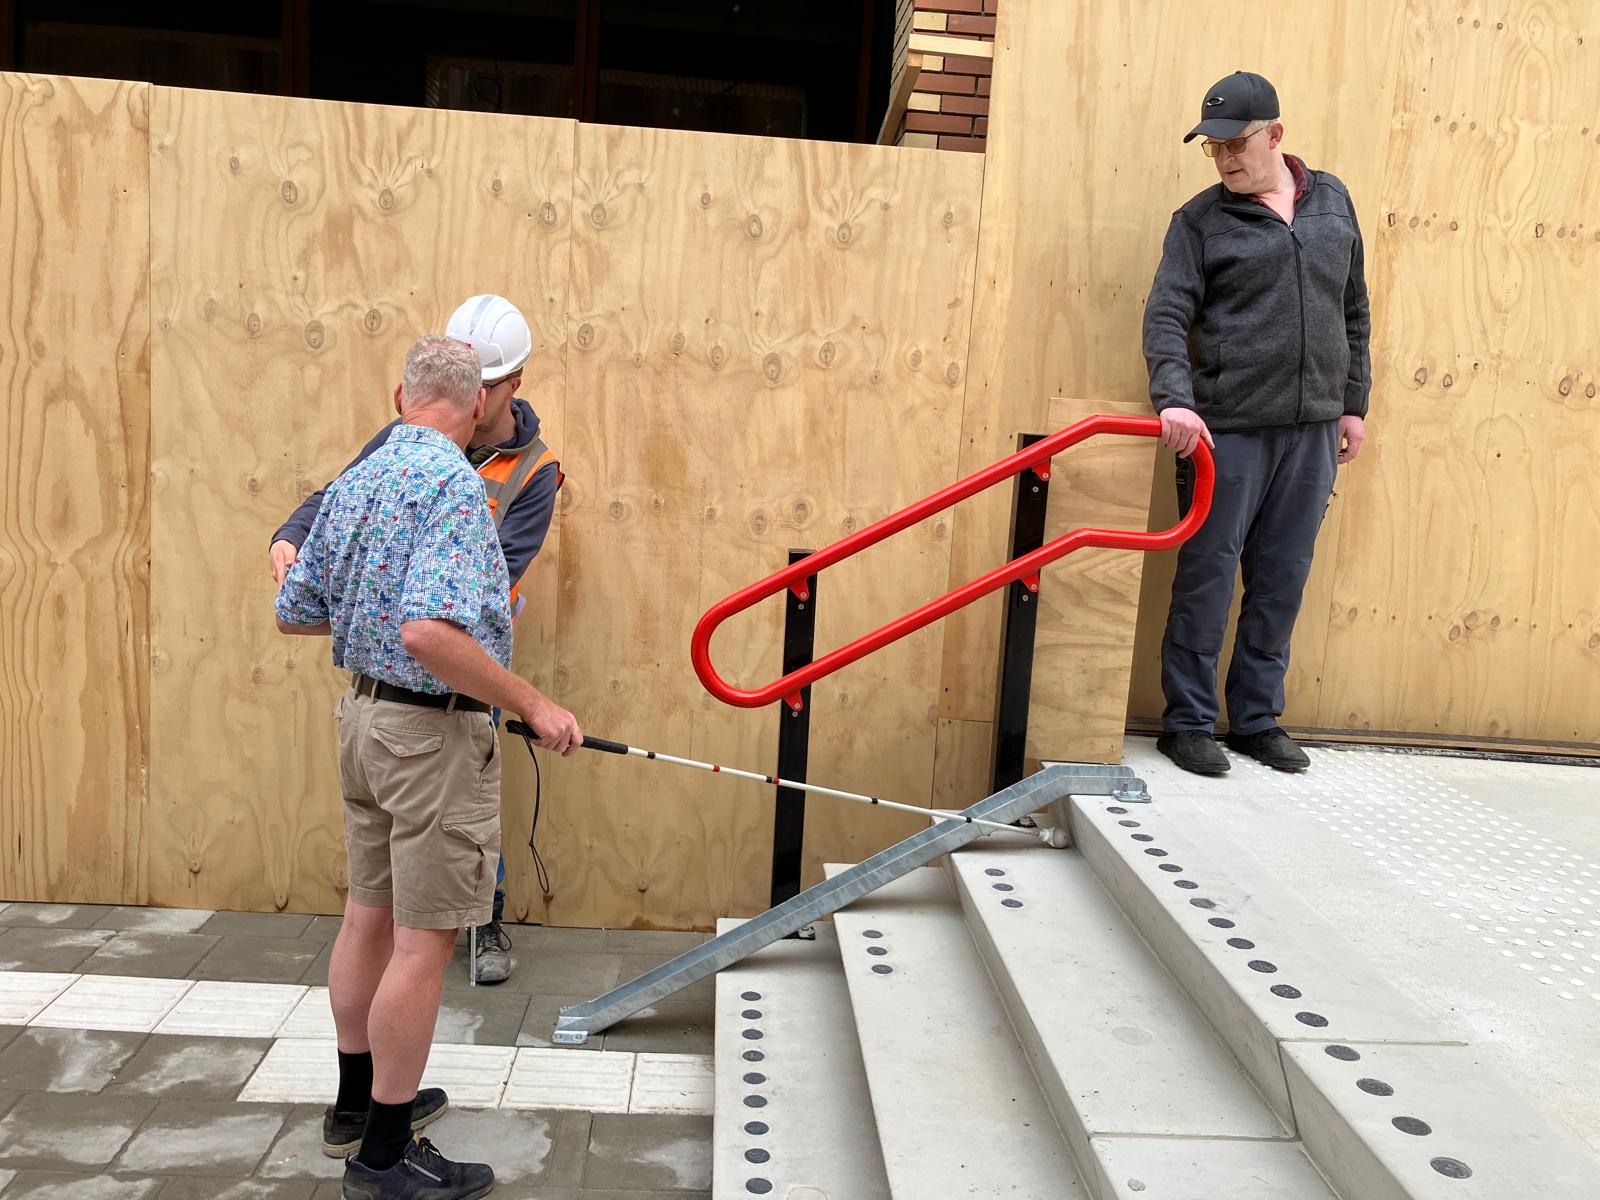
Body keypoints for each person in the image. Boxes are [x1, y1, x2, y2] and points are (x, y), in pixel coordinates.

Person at [276, 335, 582, 1199]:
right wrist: (532, 703)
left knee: (366, 917)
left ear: (400, 393)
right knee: (422, 944)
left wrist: (358, 605)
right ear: (481, 402)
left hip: (363, 722)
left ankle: (352, 1106)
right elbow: (429, 633)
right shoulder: (452, 486)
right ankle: (382, 1155)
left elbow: (296, 611)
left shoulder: (362, 477)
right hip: (428, 739)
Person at [271, 295, 558, 984]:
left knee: (381, 908)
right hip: (420, 694)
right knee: (415, 935)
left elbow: (487, 584)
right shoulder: (423, 458)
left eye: (488, 383)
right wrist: (289, 539)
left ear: (511, 386)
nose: (477, 394)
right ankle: (388, 1098)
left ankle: (480, 920)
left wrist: (367, 594)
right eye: (470, 381)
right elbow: (334, 507)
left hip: (449, 683)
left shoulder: (530, 471)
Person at [1143, 71, 1370, 776]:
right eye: (1212, 149)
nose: (1225, 160)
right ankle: (1185, 722)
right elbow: (1167, 314)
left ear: (1276, 135)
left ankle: (1256, 720)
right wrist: (1174, 398)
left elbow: (1354, 311)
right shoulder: (1198, 222)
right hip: (1228, 429)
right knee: (1207, 575)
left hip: (1312, 430)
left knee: (1281, 577)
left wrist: (1353, 402)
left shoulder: (1332, 202)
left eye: (1237, 144)